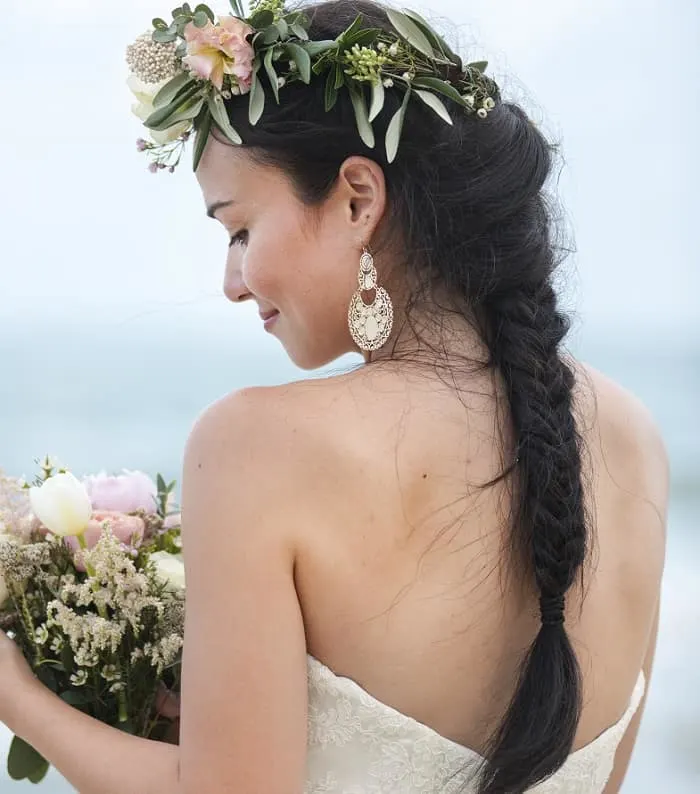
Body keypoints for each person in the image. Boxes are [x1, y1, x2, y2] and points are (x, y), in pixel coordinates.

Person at [0, 1, 668, 792]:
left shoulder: (256, 445)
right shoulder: (632, 436)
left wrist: (19, 695)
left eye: (239, 229)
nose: (232, 284)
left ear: (358, 198)